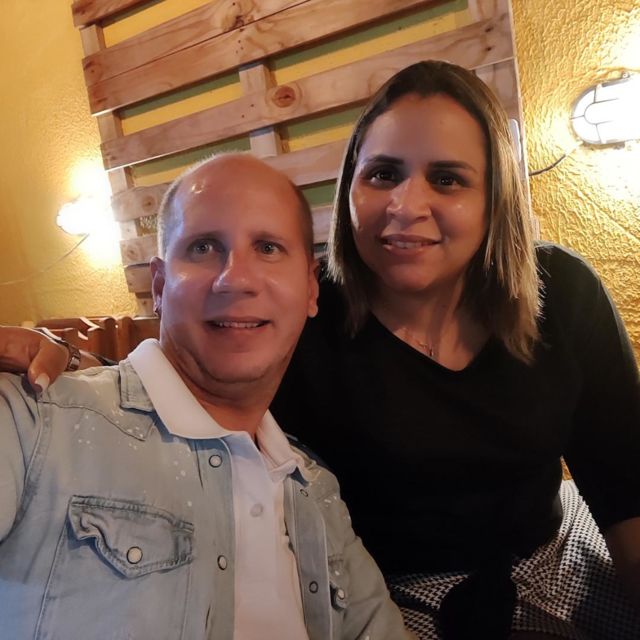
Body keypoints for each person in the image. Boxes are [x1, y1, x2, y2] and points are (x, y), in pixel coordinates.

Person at [3, 60, 640, 639]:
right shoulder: (299, 317)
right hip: (399, 599)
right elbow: (177, 376)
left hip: (557, 558)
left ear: (492, 198)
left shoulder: (562, 292)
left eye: (447, 179)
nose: (406, 205)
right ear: (350, 189)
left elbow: (626, 487)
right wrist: (62, 361)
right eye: (383, 174)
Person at [0, 153, 410, 639]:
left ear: (309, 289)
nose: (235, 278)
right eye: (202, 247)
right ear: (159, 285)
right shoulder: (38, 420)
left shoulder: (316, 490)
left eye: (268, 248)